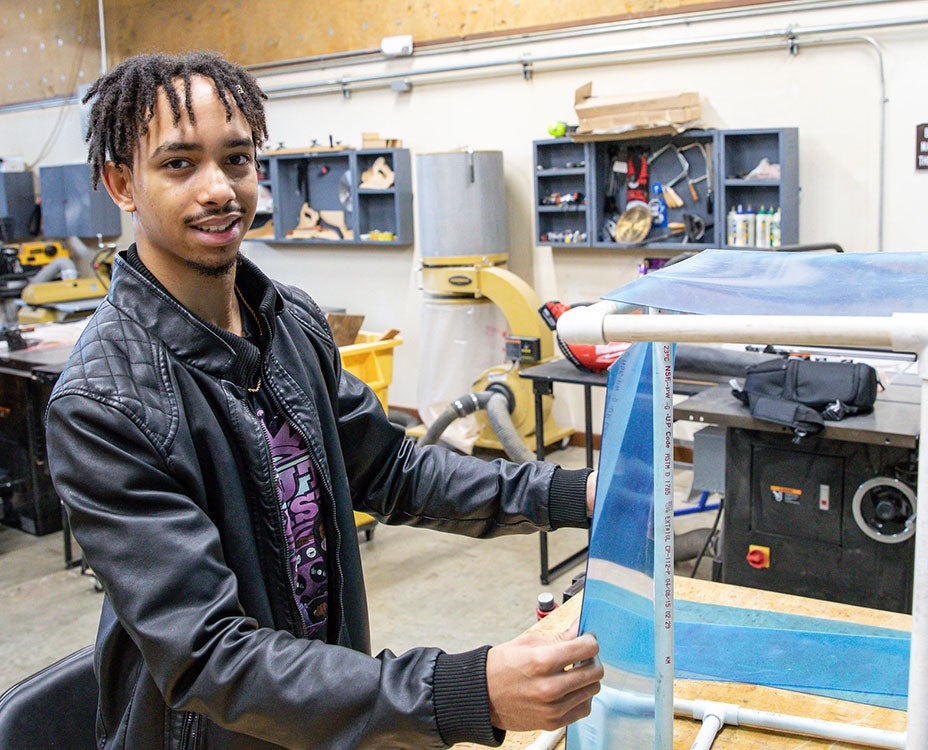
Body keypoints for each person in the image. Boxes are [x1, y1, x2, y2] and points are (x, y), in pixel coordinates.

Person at [45, 51, 602, 749]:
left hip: (322, 718)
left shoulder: (288, 322)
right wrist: (465, 689)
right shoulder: (102, 404)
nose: (219, 189)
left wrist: (574, 493)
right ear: (122, 183)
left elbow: (392, 470)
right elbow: (211, 658)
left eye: (237, 159)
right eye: (180, 164)